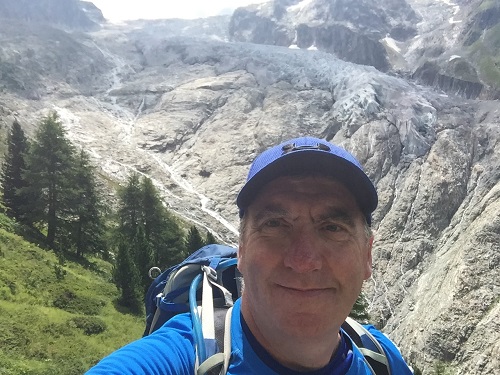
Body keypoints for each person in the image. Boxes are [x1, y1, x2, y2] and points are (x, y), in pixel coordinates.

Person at [86, 136, 413, 374]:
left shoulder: (383, 359)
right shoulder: (182, 359)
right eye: (275, 224)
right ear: (241, 249)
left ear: (367, 255)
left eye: (332, 228)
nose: (303, 260)